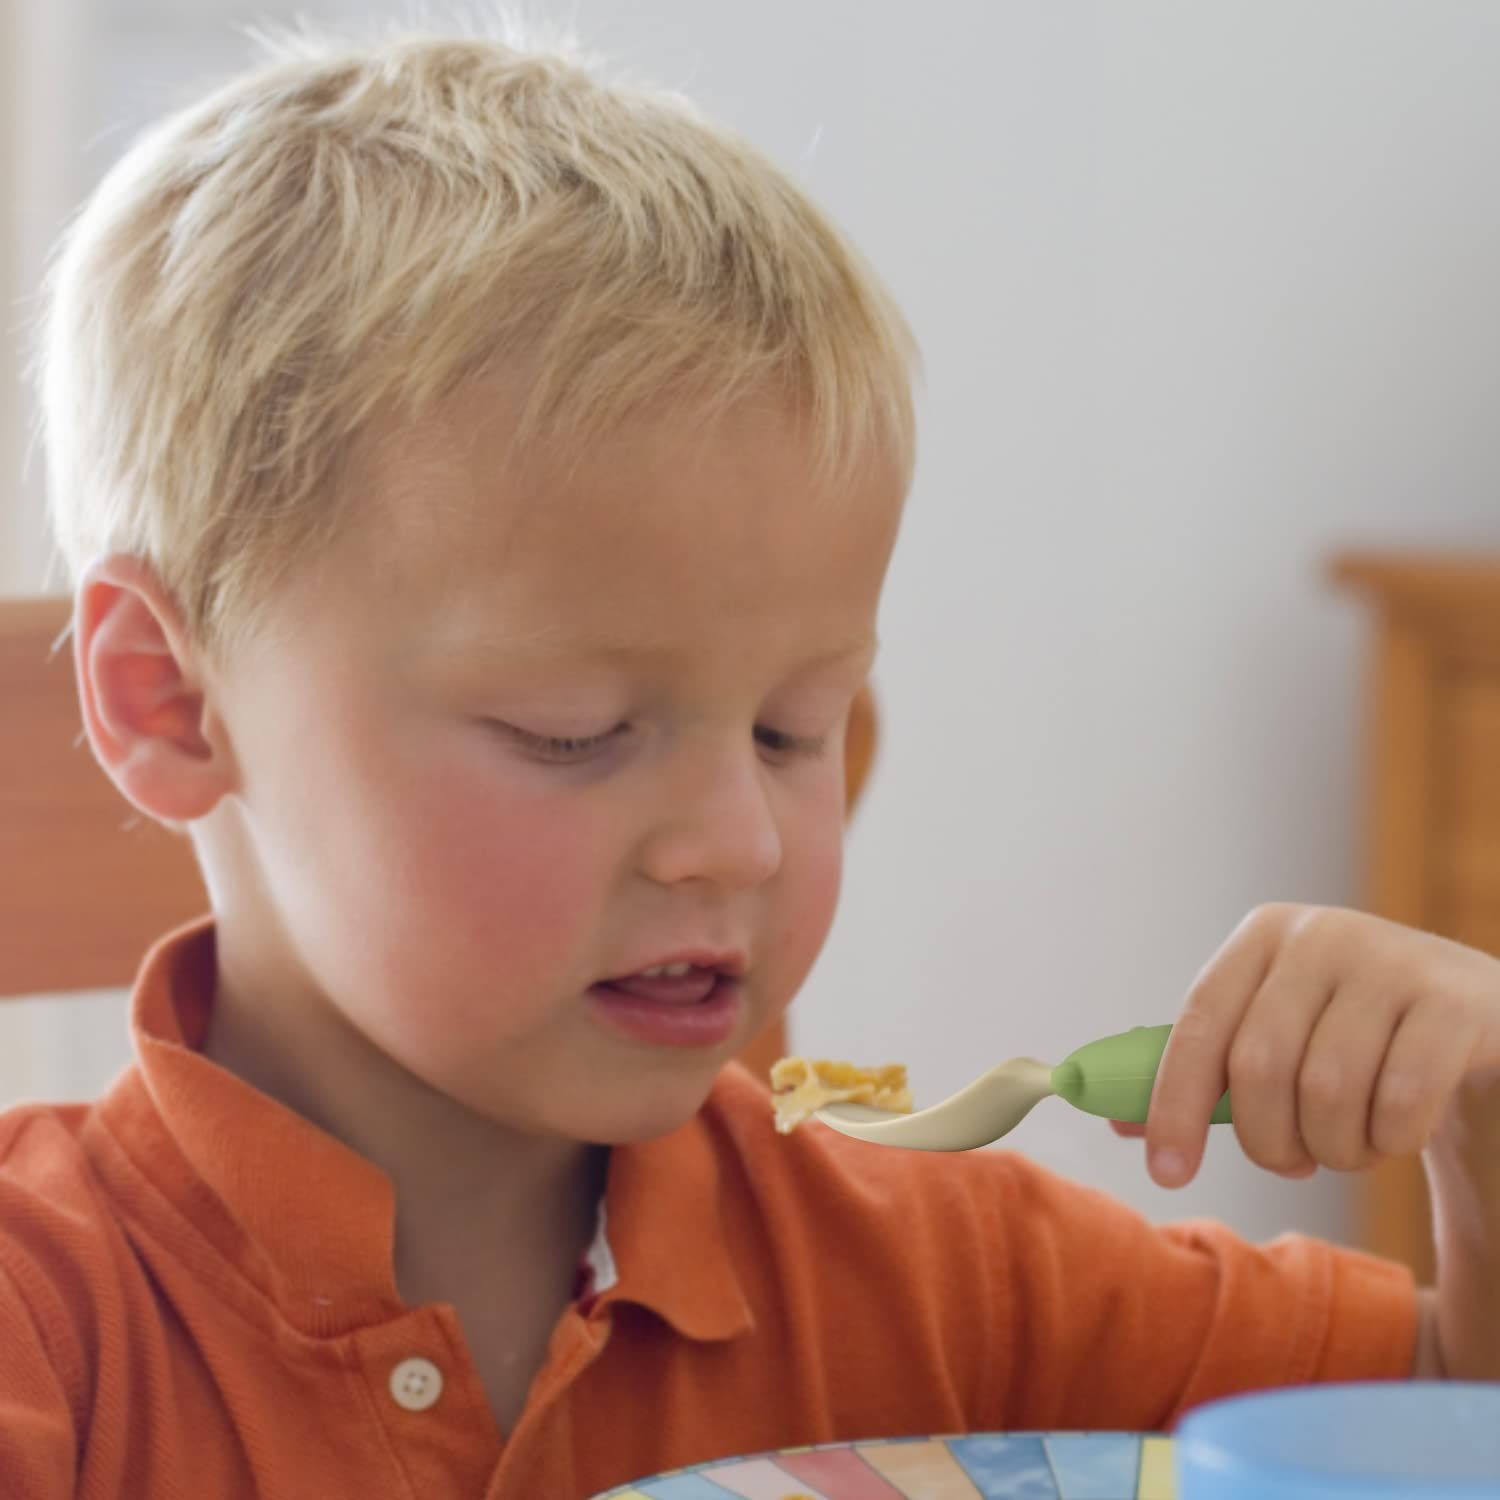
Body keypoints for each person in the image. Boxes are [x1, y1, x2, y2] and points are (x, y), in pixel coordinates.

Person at [4, 19, 1496, 1499]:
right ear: (167, 701)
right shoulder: (43, 1325)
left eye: (797, 729)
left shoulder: (940, 1281)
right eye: (573, 731)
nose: (744, 840)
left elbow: (1447, 1419)